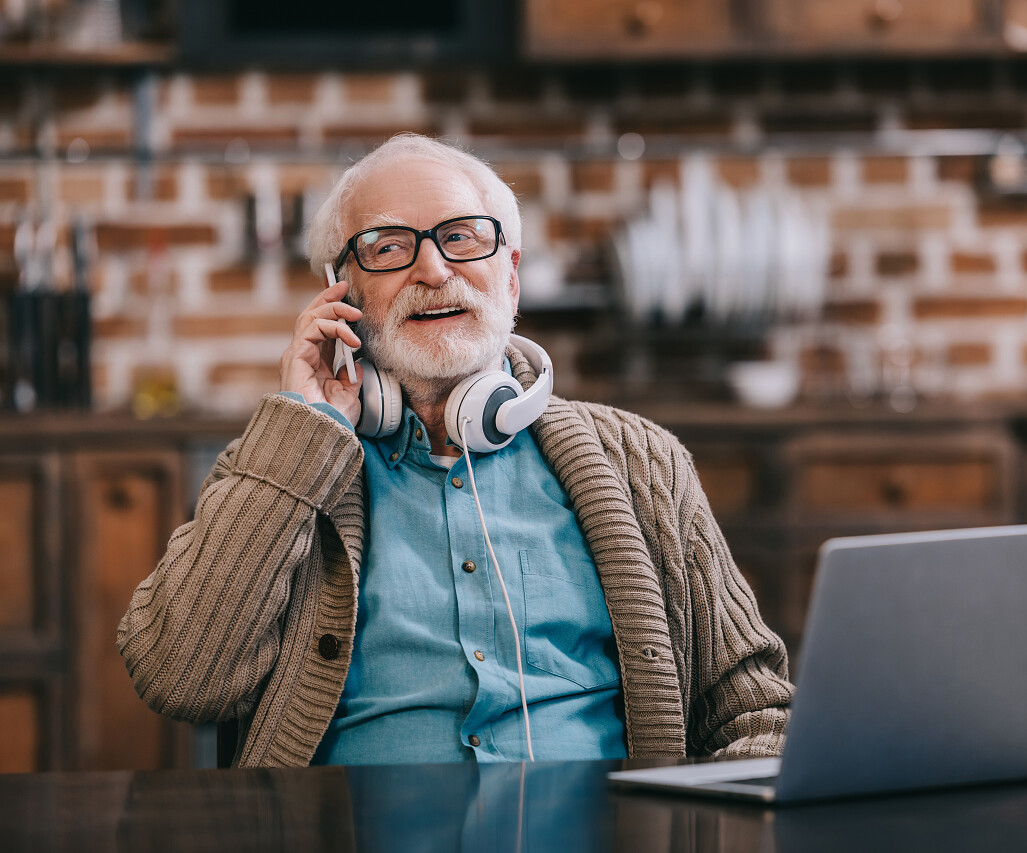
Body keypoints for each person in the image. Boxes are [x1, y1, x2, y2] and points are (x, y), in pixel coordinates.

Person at [117, 134, 793, 768]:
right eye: (387, 247)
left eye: (463, 238)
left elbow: (754, 707)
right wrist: (307, 427)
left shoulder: (642, 460)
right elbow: (181, 678)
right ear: (341, 291)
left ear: (512, 276)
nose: (434, 269)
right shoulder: (278, 463)